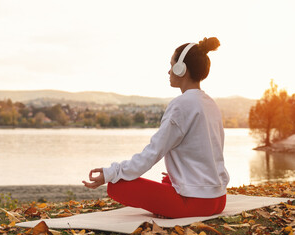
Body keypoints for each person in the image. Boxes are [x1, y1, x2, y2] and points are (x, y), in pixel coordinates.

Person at [82, 37, 229, 219]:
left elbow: (153, 152)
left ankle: (170, 207)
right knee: (168, 179)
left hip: (195, 204)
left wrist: (110, 173)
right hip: (219, 199)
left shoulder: (181, 105)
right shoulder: (211, 104)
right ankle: (171, 201)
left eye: (171, 65)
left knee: (116, 185)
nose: (169, 71)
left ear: (180, 69)